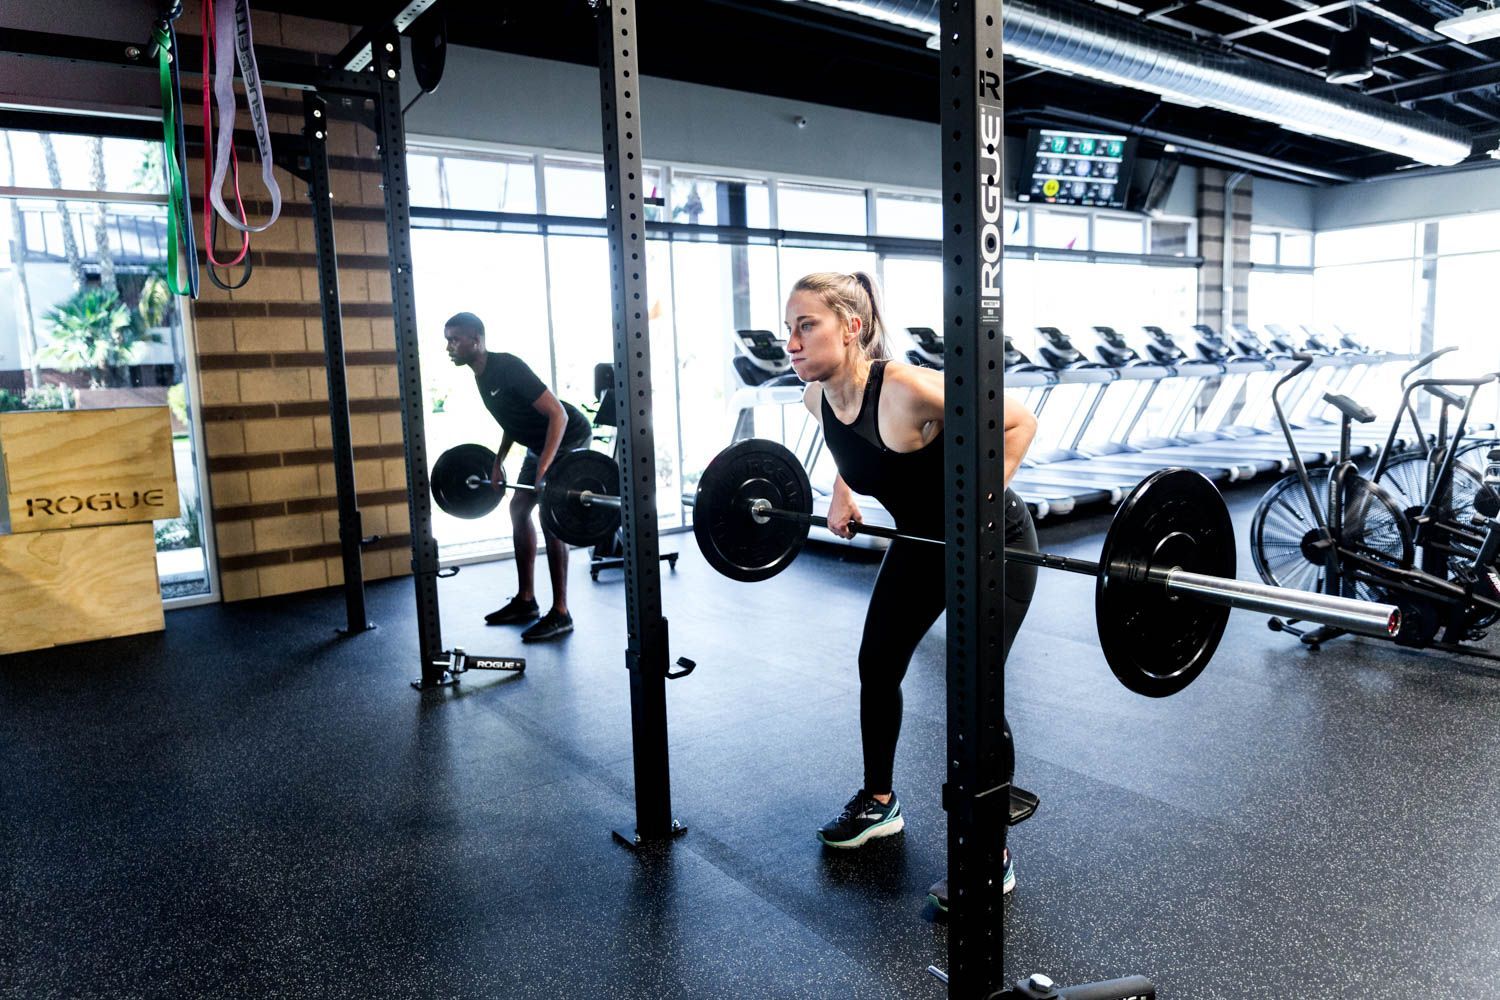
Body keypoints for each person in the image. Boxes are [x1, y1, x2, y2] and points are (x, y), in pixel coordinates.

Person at [787, 272, 1039, 906]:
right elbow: (846, 450)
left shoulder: (900, 388)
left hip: (993, 543)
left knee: (971, 689)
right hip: (924, 544)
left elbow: (1017, 422)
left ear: (850, 328)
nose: (790, 340)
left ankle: (990, 852)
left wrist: (970, 519)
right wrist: (842, 494)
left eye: (804, 325)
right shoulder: (817, 400)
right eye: (787, 327)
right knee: (878, 663)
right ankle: (879, 803)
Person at [443, 311, 594, 642]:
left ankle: (561, 612)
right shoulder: (480, 375)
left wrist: (544, 468)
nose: (449, 346)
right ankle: (526, 601)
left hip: (566, 436)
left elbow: (558, 414)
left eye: (455, 339)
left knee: (550, 516)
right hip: (536, 443)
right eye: (447, 340)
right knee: (518, 509)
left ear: (476, 341)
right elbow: (511, 419)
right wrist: (498, 460)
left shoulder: (507, 366)